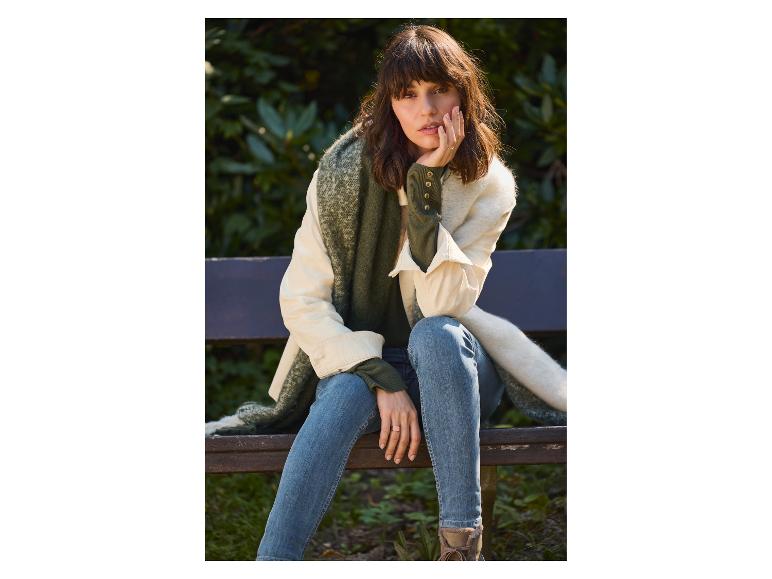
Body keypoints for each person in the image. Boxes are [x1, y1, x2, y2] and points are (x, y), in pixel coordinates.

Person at [249, 24, 556, 561]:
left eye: (439, 90)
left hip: (455, 372)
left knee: (436, 335)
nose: (427, 108)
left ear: (464, 93)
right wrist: (383, 379)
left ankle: (461, 546)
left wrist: (425, 190)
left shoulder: (488, 184)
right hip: (372, 363)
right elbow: (303, 300)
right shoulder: (340, 177)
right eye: (408, 94)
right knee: (345, 389)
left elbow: (443, 304)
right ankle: (273, 562)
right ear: (390, 104)